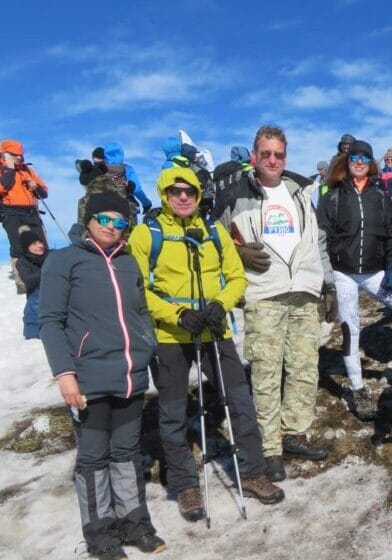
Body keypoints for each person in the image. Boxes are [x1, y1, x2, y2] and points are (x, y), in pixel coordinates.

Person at [130, 167, 284, 522]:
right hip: (170, 337)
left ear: (198, 195)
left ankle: (253, 472)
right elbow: (139, 290)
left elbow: (235, 277)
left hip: (215, 331)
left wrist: (220, 305)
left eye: (189, 191)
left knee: (240, 403)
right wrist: (177, 315)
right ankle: (185, 485)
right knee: (171, 415)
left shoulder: (213, 230)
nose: (182, 197)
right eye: (175, 191)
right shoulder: (146, 234)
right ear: (164, 194)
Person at [39, 193, 165, 559]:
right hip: (88, 379)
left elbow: (140, 313)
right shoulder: (65, 261)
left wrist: (146, 350)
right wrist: (65, 373)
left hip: (129, 375)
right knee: (94, 458)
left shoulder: (128, 263)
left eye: (119, 221)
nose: (112, 226)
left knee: (126, 452)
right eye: (104, 219)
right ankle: (100, 535)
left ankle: (134, 522)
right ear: (89, 220)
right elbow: (51, 321)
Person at [213, 125, 334, 482]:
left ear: (285, 156)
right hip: (264, 293)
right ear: (255, 156)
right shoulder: (236, 194)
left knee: (303, 368)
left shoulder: (299, 192)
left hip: (303, 291)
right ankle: (270, 448)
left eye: (278, 154)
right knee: (266, 373)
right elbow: (214, 239)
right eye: (265, 154)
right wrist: (237, 251)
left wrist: (326, 285)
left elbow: (318, 240)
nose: (272, 160)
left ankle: (295, 432)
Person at [317, 139, 392, 420]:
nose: (360, 162)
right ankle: (358, 387)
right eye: (355, 158)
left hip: (376, 272)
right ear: (347, 163)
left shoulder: (379, 197)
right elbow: (321, 237)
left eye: (365, 158)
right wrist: (327, 280)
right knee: (351, 329)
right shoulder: (333, 196)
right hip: (343, 274)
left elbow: (391, 232)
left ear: (371, 163)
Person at [1, 139, 48, 292]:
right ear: (5, 154)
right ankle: (22, 280)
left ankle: (47, 275)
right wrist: (9, 169)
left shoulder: (27, 170)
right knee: (18, 246)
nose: (19, 158)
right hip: (10, 212)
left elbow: (44, 193)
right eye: (15, 155)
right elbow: (2, 187)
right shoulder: (3, 170)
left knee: (41, 244)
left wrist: (36, 187)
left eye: (20, 155)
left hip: (31, 211)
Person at [104, 141, 153, 218]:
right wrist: (146, 204)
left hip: (106, 211)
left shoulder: (100, 170)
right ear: (121, 154)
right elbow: (137, 190)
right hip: (127, 209)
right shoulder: (128, 169)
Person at [17, 230, 47, 340]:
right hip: (36, 305)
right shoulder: (22, 262)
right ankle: (34, 332)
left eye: (40, 242)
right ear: (26, 247)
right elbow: (29, 280)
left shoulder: (51, 256)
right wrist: (47, 270)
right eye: (34, 243)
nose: (40, 246)